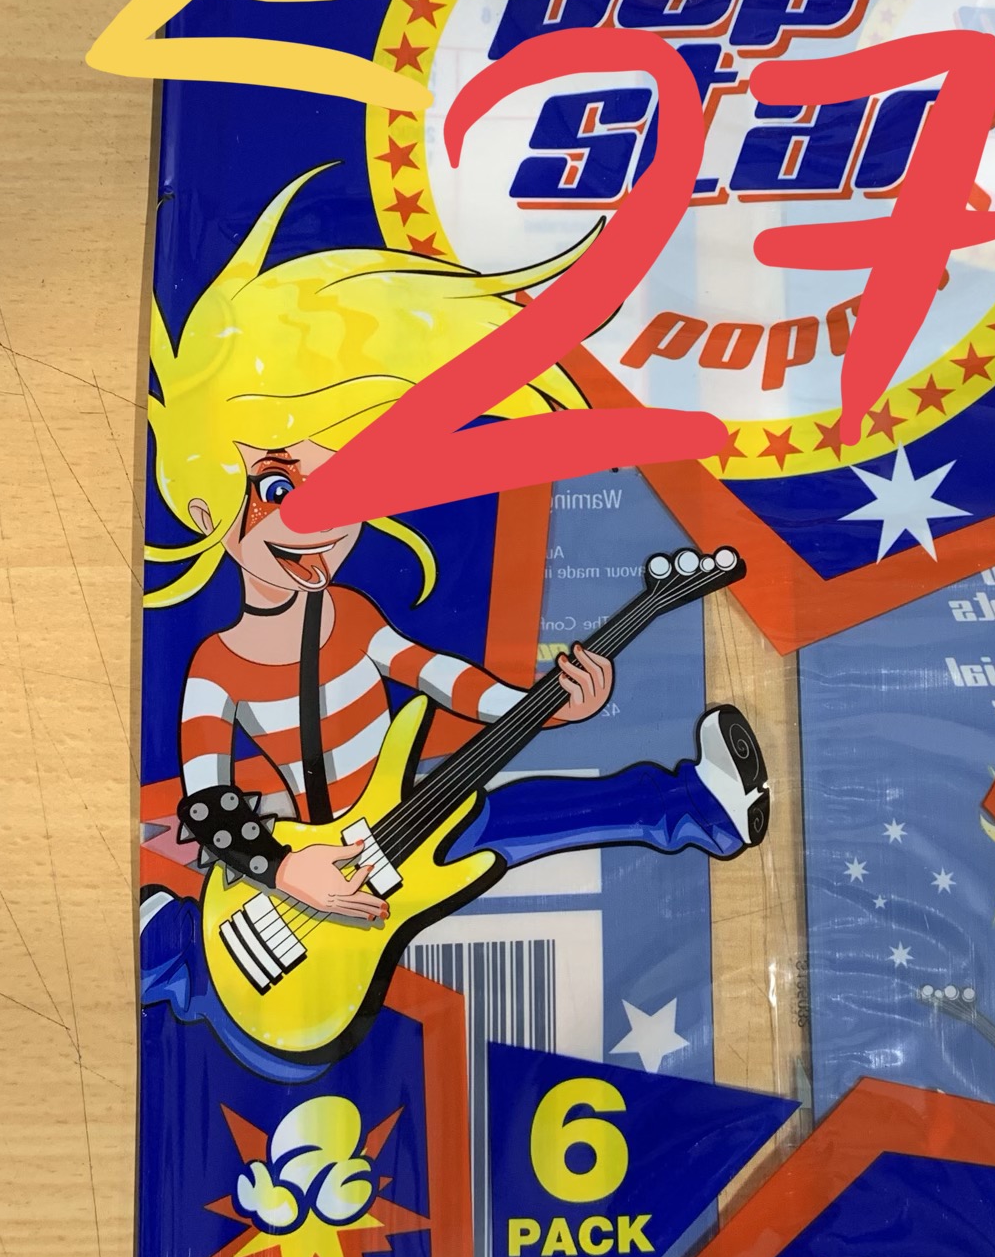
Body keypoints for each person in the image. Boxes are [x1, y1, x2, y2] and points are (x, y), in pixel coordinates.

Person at [139, 170, 767, 1079]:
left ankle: (704, 808)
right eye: (278, 487)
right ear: (207, 506)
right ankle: (170, 959)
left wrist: (538, 705)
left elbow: (432, 673)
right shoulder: (217, 664)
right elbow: (207, 804)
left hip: (399, 828)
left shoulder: (353, 615)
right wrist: (285, 870)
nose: (318, 518)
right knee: (212, 964)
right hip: (296, 858)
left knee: (526, 813)